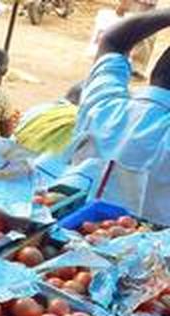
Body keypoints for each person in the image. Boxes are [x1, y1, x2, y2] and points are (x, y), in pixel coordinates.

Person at [62, 8, 170, 222]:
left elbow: (112, 40)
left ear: (155, 72)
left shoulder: (102, 104)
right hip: (143, 253)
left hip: (55, 238)